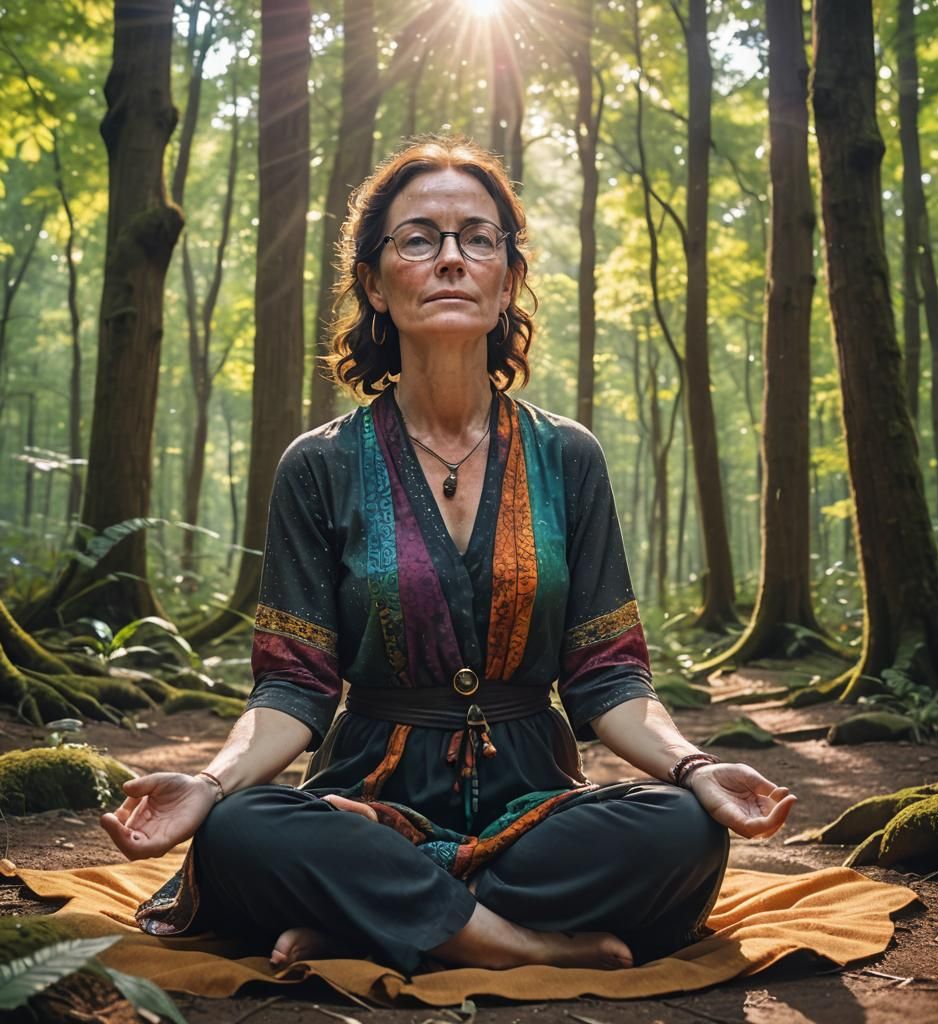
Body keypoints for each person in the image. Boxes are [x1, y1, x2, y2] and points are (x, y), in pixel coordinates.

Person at [100, 136, 795, 975]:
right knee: (242, 830)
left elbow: (610, 677)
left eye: (478, 237)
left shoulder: (568, 456)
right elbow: (294, 685)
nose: (452, 259)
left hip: (536, 801)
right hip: (364, 796)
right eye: (419, 238)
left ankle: (370, 918)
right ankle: (520, 943)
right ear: (374, 282)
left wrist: (697, 765)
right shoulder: (318, 465)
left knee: (683, 826)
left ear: (507, 279)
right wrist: (208, 784)